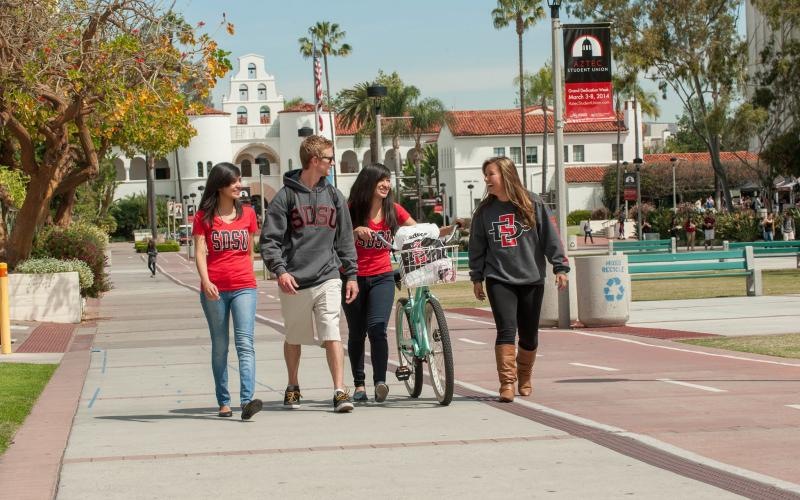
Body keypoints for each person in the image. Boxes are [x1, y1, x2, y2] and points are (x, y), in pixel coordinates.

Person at [260, 135, 359, 413]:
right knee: (294, 336)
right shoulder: (285, 197)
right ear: (314, 161)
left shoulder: (334, 196)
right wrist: (280, 271)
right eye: (329, 158)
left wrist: (351, 274)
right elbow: (269, 240)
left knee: (332, 331)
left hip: (328, 275)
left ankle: (339, 391)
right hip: (294, 280)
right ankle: (293, 384)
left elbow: (345, 240)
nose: (332, 163)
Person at [468, 156, 569, 403]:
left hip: (531, 278)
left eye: (490, 174)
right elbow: (477, 246)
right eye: (485, 175)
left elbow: (550, 238)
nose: (486, 180)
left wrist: (560, 267)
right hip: (498, 278)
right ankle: (507, 383)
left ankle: (524, 376)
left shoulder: (533, 203)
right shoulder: (484, 211)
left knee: (529, 335)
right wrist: (477, 276)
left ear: (505, 175)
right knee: (506, 330)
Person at [193, 162, 262, 420]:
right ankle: (224, 400)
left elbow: (250, 251)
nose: (238, 185)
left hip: (245, 286)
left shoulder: (249, 214)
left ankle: (247, 401)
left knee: (245, 343)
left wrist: (250, 275)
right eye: (233, 181)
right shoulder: (203, 217)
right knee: (220, 345)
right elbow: (200, 252)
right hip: (215, 290)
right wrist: (206, 280)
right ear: (220, 185)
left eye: (239, 180)